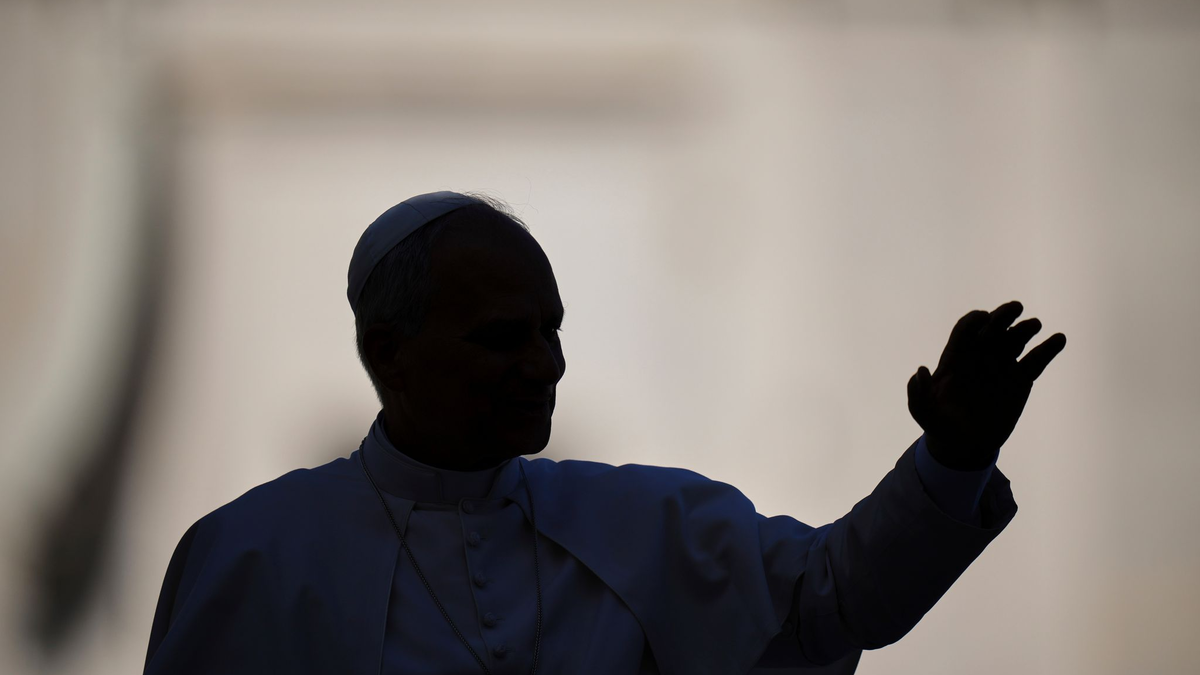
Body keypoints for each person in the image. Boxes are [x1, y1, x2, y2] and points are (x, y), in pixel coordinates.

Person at [143, 191, 1067, 674]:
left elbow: (836, 600)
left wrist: (954, 458)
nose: (546, 365)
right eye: (502, 338)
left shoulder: (643, 519)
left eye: (552, 330)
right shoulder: (254, 556)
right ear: (389, 353)